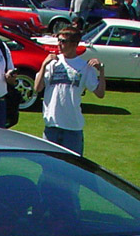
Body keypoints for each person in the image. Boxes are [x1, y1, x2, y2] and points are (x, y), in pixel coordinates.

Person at [34, 26, 105, 155]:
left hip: (73, 128)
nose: (59, 44)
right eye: (59, 40)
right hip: (52, 126)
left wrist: (101, 71)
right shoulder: (52, 62)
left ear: (74, 44)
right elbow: (37, 88)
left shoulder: (84, 67)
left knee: (72, 169)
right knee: (49, 168)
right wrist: (44, 65)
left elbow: (100, 93)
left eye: (63, 41)